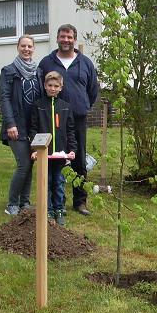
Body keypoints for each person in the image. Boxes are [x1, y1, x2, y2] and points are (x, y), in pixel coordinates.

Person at [38, 24, 99, 216]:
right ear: (57, 38)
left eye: (69, 37)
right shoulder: (46, 63)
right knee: (54, 159)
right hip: (52, 119)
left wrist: (83, 105)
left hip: (77, 119)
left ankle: (80, 202)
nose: (66, 40)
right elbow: (40, 89)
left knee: (78, 160)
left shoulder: (85, 63)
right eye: (62, 36)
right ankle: (55, 202)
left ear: (74, 39)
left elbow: (93, 89)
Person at [0, 35, 41, 215]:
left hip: (33, 126)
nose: (26, 49)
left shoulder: (38, 72)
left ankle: (25, 203)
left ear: (33, 49)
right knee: (23, 164)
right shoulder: (8, 71)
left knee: (30, 164)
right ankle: (12, 204)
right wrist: (10, 124)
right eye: (23, 46)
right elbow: (4, 98)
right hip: (16, 126)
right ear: (18, 47)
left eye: (29, 46)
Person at [29, 71, 76, 226]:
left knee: (59, 182)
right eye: (50, 85)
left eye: (56, 86)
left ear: (61, 87)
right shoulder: (38, 106)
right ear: (44, 86)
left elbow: (70, 130)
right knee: (46, 182)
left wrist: (72, 150)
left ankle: (59, 209)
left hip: (60, 154)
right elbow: (33, 129)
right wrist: (35, 150)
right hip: (44, 154)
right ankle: (48, 210)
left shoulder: (66, 107)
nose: (53, 88)